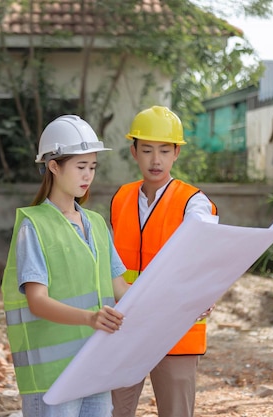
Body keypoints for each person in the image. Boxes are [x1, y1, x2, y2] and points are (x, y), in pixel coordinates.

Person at [1, 114, 129, 417]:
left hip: (95, 365)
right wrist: (90, 318)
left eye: (93, 167)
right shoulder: (34, 226)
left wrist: (181, 303)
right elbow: (37, 301)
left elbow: (121, 289)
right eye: (81, 167)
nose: (88, 176)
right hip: (52, 377)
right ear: (54, 166)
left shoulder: (96, 224)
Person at [110, 106, 217, 417]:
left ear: (176, 154)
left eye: (163, 151)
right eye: (146, 150)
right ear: (134, 152)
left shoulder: (193, 202)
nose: (155, 160)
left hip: (177, 329)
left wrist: (205, 290)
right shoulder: (121, 198)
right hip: (127, 326)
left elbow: (209, 249)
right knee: (113, 410)